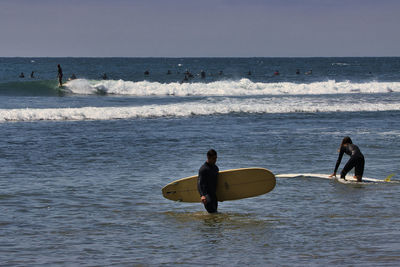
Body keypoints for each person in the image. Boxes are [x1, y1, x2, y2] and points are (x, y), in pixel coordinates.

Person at [197, 149, 219, 213]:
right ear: (208, 158)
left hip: (214, 195)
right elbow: (199, 183)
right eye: (213, 158)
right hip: (207, 196)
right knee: (213, 213)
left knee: (215, 214)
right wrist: (202, 195)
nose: (215, 160)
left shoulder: (215, 168)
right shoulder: (203, 169)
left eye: (216, 158)